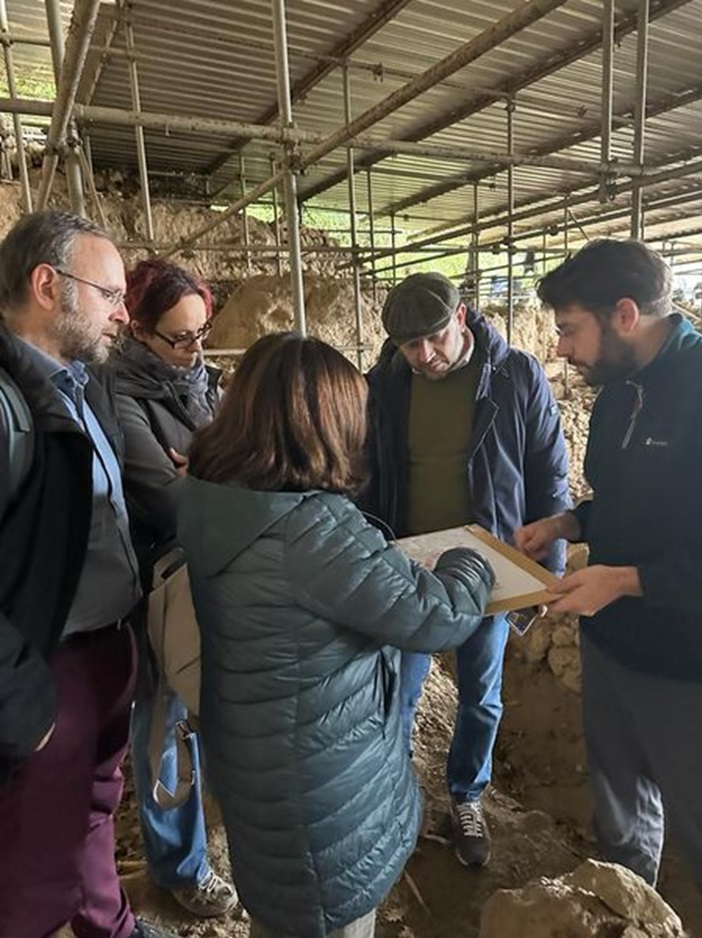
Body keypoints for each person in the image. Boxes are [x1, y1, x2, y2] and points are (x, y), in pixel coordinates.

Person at [178, 332, 497, 938]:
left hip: (258, 767)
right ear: (320, 425)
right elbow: (438, 616)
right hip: (323, 801)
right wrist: (470, 556)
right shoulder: (310, 530)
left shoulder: (210, 497)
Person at [0, 211, 177, 938]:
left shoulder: (78, 385)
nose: (122, 311)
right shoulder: (6, 405)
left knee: (95, 816)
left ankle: (109, 922)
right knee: (30, 868)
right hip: (50, 673)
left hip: (105, 651)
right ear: (48, 286)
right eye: (107, 293)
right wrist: (23, 701)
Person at [362, 271, 569, 867]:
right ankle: (391, 797)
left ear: (461, 317)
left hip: (491, 565)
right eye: (409, 346)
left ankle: (466, 796)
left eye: (433, 339)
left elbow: (549, 476)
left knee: (481, 694)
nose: (423, 356)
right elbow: (370, 468)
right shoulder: (387, 384)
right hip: (411, 566)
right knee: (400, 688)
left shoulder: (515, 376)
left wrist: (543, 574)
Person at [516, 239, 702, 891]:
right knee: (620, 819)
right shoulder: (620, 393)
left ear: (625, 314)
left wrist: (623, 581)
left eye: (569, 329)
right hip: (609, 646)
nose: (561, 348)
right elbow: (624, 502)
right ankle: (625, 910)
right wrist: (570, 523)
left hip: (683, 668)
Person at [109, 257, 236, 918]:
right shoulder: (117, 395)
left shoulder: (202, 384)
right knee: (163, 720)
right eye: (180, 337)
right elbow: (168, 499)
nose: (194, 349)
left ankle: (204, 836)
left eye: (202, 333)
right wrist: (234, 470)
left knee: (206, 705)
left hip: (214, 571)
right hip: (158, 585)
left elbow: (217, 477)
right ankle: (178, 866)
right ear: (138, 329)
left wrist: (214, 469)